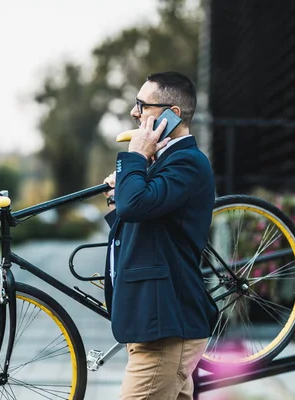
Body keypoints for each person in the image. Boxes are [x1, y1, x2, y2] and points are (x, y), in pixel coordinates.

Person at [102, 71, 218, 400]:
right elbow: (143, 225)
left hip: (166, 331)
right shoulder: (165, 161)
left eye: (142, 105)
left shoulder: (187, 162)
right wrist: (121, 191)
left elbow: (135, 205)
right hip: (154, 326)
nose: (134, 113)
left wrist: (135, 156)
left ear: (172, 114)